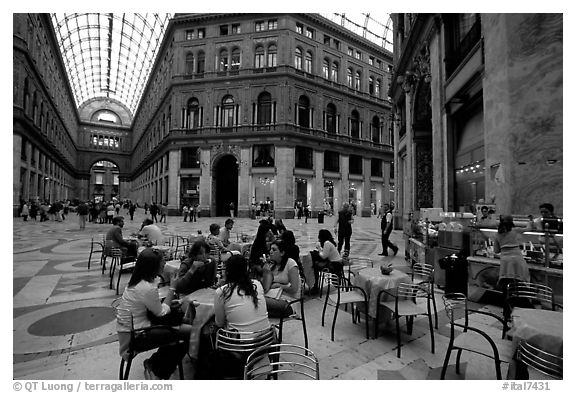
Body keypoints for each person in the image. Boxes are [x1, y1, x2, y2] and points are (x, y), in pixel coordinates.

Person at [115, 248, 192, 380]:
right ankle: (157, 370)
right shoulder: (147, 287)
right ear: (152, 266)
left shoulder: (136, 282)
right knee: (189, 332)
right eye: (162, 262)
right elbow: (161, 313)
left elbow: (155, 308)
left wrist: (167, 304)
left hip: (129, 330)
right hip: (136, 336)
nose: (164, 265)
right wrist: (173, 287)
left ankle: (156, 363)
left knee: (179, 324)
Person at [214, 254, 269, 332]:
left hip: (240, 342)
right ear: (246, 269)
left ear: (227, 271)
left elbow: (219, 323)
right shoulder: (257, 284)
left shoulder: (222, 292)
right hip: (266, 338)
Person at [494, 215, 531, 323]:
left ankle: (507, 314)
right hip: (517, 261)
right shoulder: (515, 230)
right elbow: (529, 229)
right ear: (512, 222)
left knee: (507, 288)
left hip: (505, 262)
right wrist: (530, 220)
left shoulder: (497, 234)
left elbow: (496, 250)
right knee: (519, 286)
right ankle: (522, 312)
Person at [262, 240, 301, 317]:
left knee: (259, 300)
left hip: (289, 301)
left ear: (282, 253)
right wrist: (266, 271)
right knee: (257, 307)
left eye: (274, 250)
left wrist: (278, 285)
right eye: (270, 249)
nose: (270, 252)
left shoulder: (291, 264)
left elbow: (294, 289)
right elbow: (266, 287)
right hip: (274, 297)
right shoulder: (273, 265)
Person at [310, 229, 342, 294]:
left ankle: (315, 286)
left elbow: (324, 256)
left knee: (315, 267)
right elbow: (325, 254)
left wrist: (319, 248)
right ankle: (315, 285)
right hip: (336, 263)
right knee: (315, 262)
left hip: (334, 265)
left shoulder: (327, 243)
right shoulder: (329, 243)